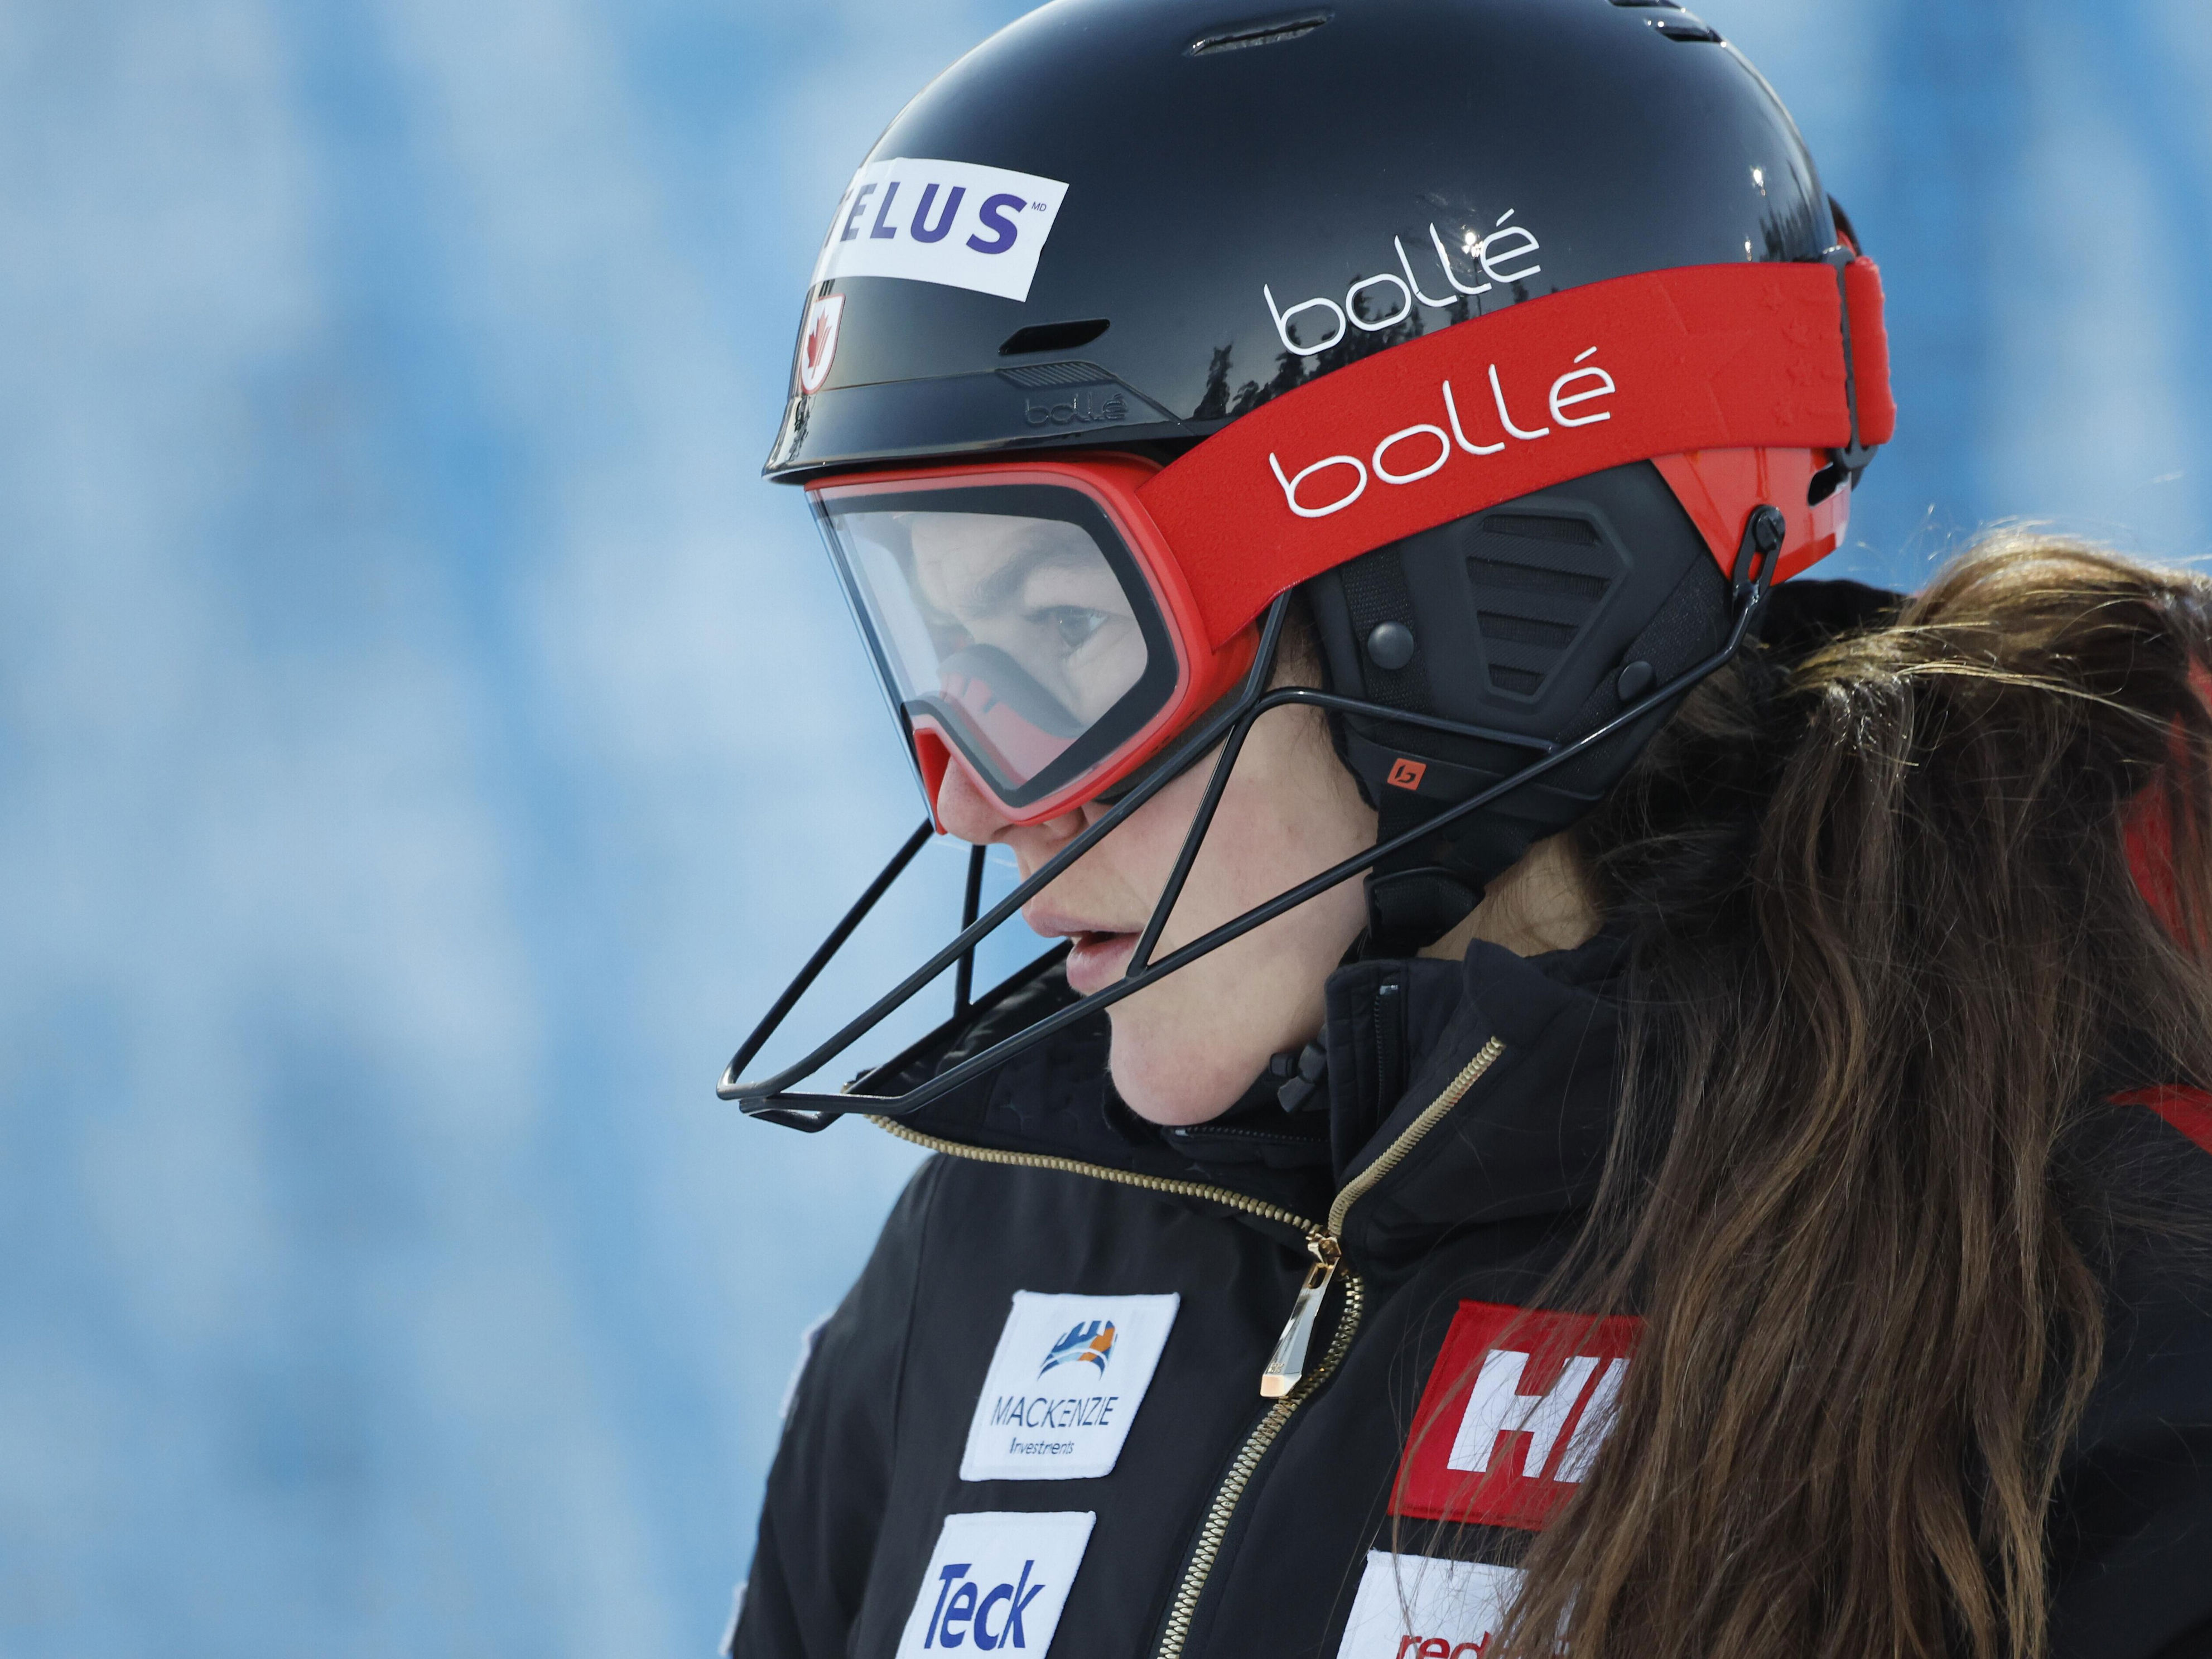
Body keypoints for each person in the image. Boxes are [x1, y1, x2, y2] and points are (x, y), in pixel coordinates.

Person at [725, 3, 2212, 1656]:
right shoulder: (1004, 1240)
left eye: (1068, 630)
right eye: (946, 647)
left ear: (1473, 609)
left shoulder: (2081, 1285)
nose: (974, 790)